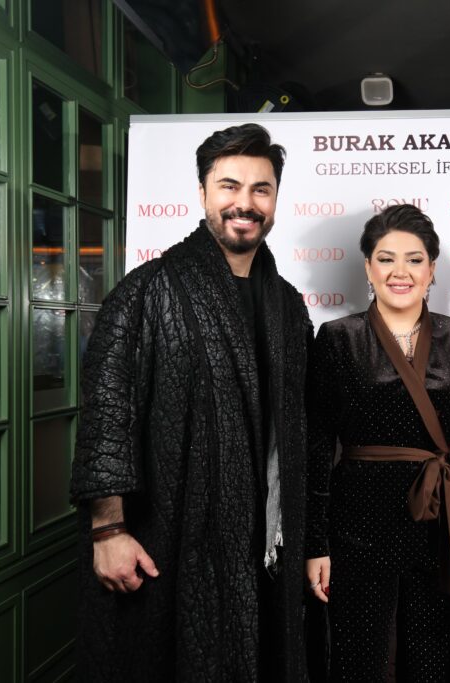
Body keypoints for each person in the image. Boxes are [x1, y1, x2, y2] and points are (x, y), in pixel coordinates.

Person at [70, 123, 313, 681]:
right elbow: (107, 415)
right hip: (168, 538)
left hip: (265, 545)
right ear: (202, 193)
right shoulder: (146, 290)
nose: (245, 203)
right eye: (229, 186)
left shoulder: (288, 305)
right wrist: (108, 531)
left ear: (275, 199)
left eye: (261, 189)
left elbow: (300, 430)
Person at [305, 204, 450, 682]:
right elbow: (317, 446)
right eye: (386, 259)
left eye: (414, 259)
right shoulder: (337, 338)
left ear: (432, 269)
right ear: (368, 268)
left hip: (439, 522)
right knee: (361, 662)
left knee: (435, 662)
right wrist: (315, 543)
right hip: (358, 522)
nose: (399, 272)